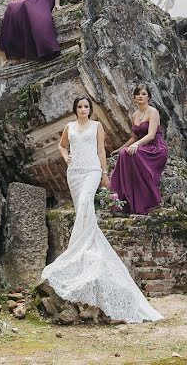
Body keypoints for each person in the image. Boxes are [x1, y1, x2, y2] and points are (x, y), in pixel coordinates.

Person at [41, 97, 162, 323]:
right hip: (74, 173)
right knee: (82, 211)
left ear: (90, 109)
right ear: (75, 109)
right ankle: (86, 249)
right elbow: (62, 144)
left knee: (87, 203)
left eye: (86, 106)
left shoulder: (97, 126)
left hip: (92, 171)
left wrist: (105, 174)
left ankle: (75, 250)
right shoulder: (69, 127)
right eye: (79, 107)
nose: (83, 110)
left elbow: (100, 151)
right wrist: (65, 155)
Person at [110, 84, 168, 214]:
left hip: (155, 147)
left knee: (128, 154)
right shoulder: (135, 115)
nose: (140, 96)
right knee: (124, 153)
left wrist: (136, 145)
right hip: (142, 145)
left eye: (143, 94)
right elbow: (133, 138)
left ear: (148, 97)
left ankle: (147, 199)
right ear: (134, 98)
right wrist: (120, 148)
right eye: (138, 94)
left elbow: (151, 135)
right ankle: (126, 198)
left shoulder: (153, 112)